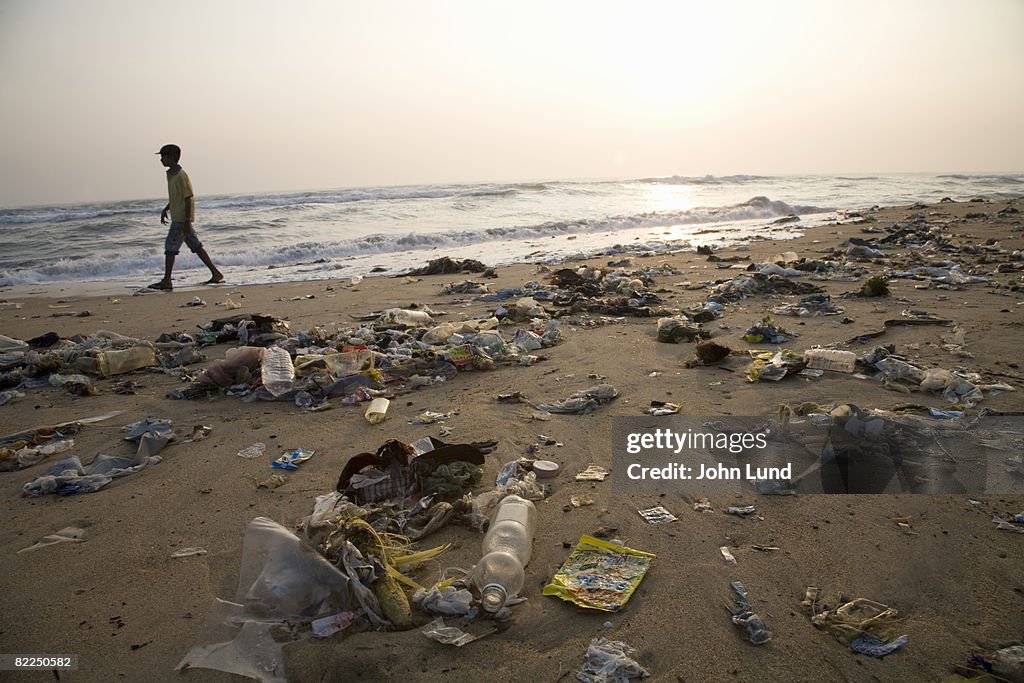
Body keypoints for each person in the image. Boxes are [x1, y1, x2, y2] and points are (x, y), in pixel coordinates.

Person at [149, 143, 224, 291]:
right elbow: (177, 196)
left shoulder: (180, 175)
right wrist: (167, 208)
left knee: (170, 248)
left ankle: (167, 281)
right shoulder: (171, 174)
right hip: (179, 217)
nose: (161, 160)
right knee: (196, 246)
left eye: (163, 156)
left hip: (181, 219)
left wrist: (188, 221)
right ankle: (216, 273)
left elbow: (188, 198)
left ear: (171, 157)